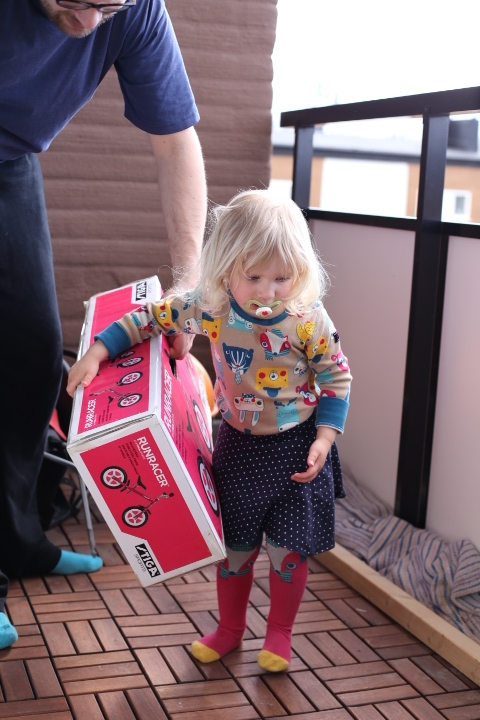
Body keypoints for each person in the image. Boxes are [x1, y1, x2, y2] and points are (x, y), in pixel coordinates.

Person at [67, 189, 352, 672]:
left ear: (301, 272)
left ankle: (279, 634)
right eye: (253, 277)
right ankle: (230, 629)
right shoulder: (209, 307)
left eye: (282, 278)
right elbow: (148, 318)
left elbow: (336, 378)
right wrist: (97, 352)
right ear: (225, 268)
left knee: (288, 553)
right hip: (238, 447)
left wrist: (325, 438)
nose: (268, 292)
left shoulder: (309, 320)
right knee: (234, 549)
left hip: (298, 449)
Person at [0, 0, 206, 649]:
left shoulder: (138, 11)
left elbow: (175, 140)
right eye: (72, 1)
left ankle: (18, 541)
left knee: (33, 359)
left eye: (105, 6)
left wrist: (188, 285)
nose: (90, 23)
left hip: (10, 162)